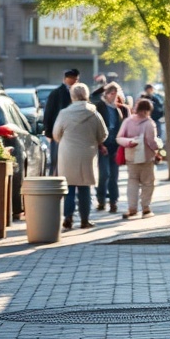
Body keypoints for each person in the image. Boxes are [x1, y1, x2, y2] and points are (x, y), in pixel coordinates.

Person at [53, 82, 108, 230]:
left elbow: (56, 134)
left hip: (68, 154)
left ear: (72, 96)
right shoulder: (94, 113)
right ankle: (85, 220)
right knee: (85, 187)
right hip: (87, 154)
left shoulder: (64, 113)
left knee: (69, 187)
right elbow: (103, 135)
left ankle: (68, 216)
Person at [116, 97, 160, 219]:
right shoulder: (149, 123)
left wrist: (129, 142)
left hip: (131, 157)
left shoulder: (128, 121)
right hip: (146, 158)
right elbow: (152, 142)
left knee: (132, 183)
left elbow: (119, 138)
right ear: (147, 110)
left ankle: (132, 208)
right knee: (147, 183)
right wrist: (157, 149)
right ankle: (145, 208)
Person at [94, 81, 130, 213]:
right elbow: (96, 127)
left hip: (115, 145)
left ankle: (113, 201)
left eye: (116, 93)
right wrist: (100, 144)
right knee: (104, 174)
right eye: (111, 93)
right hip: (103, 145)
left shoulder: (121, 109)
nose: (114, 96)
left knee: (114, 176)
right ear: (106, 94)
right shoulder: (99, 106)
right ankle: (101, 199)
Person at [43, 68, 79, 175]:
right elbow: (49, 113)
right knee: (56, 161)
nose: (74, 81)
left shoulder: (79, 93)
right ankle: (54, 184)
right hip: (59, 132)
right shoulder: (57, 93)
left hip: (74, 134)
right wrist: (48, 131)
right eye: (72, 78)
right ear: (65, 79)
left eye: (76, 79)